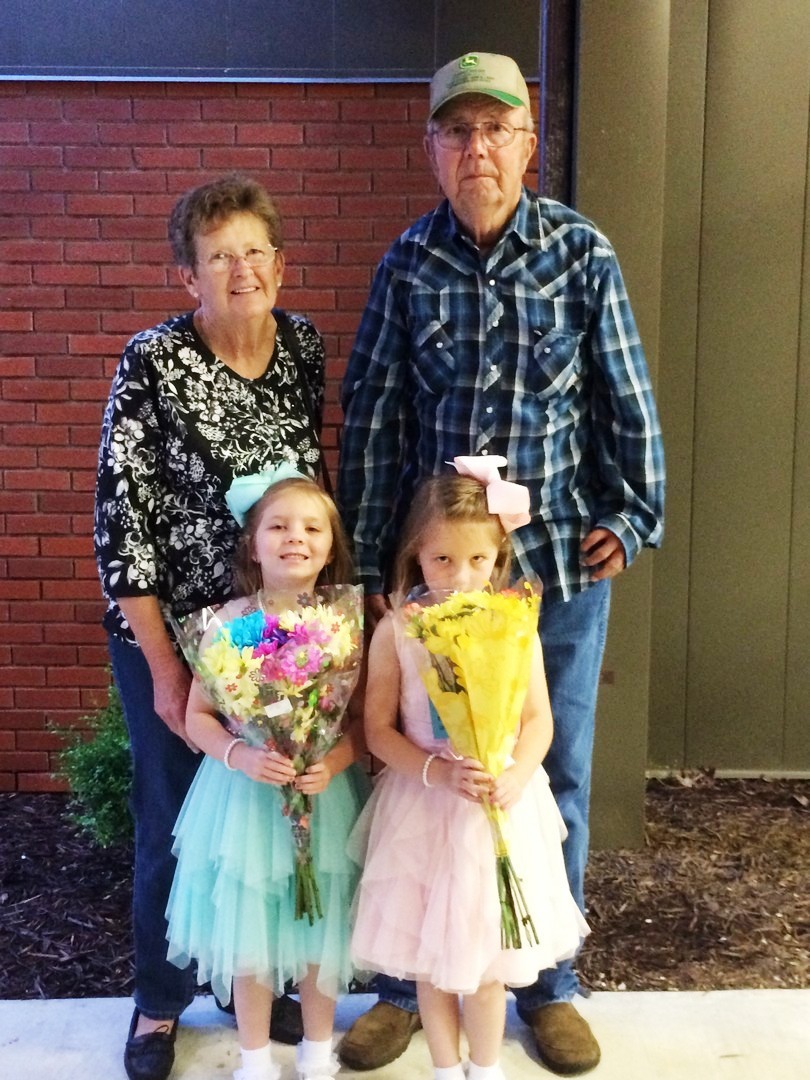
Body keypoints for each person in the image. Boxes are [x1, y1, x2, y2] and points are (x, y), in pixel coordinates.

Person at [336, 51, 665, 1076]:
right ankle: (407, 982)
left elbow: (625, 396)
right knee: (421, 777)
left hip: (550, 575)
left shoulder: (581, 253)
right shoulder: (406, 264)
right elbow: (373, 415)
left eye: (495, 129)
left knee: (546, 774)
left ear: (529, 143)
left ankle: (545, 985)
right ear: (432, 148)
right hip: (436, 585)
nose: (476, 147)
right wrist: (374, 563)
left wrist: (632, 515)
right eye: (457, 130)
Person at [94, 174, 324, 1080]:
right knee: (175, 817)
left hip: (271, 636)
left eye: (254, 252)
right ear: (188, 275)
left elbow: (307, 496)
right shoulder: (150, 362)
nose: (240, 271)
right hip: (174, 638)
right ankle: (158, 1002)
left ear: (281, 264)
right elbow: (122, 526)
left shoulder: (302, 347)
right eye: (218, 256)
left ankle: (243, 978)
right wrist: (165, 667)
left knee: (260, 816)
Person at [349, 461, 589, 1080]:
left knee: (487, 966)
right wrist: (436, 771)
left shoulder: (514, 627)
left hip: (498, 808)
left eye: (477, 560)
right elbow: (379, 730)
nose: (460, 576)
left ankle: (485, 1069)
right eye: (442, 560)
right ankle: (444, 1068)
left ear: (498, 557)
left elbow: (538, 720)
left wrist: (516, 772)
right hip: (425, 809)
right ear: (416, 555)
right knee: (431, 966)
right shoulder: (398, 630)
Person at [166, 470, 368, 1080]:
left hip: (321, 796)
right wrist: (242, 755)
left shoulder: (344, 624)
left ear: (330, 548)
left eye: (312, 528)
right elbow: (197, 716)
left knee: (320, 927)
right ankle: (253, 1058)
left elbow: (363, 720)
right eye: (278, 526)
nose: (295, 537)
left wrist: (333, 761)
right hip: (246, 799)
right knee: (249, 929)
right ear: (252, 546)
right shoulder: (229, 625)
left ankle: (317, 1050)